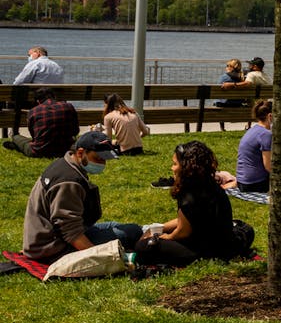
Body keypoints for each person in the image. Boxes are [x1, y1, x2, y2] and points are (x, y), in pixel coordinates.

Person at [23, 131, 141, 261]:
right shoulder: (69, 181)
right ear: (80, 153)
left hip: (48, 239)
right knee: (131, 233)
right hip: (54, 247)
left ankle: (150, 230)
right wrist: (99, 257)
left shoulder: (67, 164)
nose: (102, 164)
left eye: (105, 160)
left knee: (117, 226)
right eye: (98, 158)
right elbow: (70, 231)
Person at [135, 141, 244, 267]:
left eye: (175, 164)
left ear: (186, 166)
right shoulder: (210, 185)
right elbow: (189, 219)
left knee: (143, 246)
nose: (172, 168)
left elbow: (183, 231)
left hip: (204, 251)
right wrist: (160, 227)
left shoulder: (188, 194)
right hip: (225, 244)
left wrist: (166, 237)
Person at [4, 87, 80, 158]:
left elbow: (34, 136)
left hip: (40, 151)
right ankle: (18, 146)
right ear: (54, 97)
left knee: (16, 137)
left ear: (38, 101)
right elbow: (76, 131)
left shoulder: (33, 111)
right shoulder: (68, 106)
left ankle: (17, 145)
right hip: (65, 149)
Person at [236, 100, 274, 193]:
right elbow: (268, 166)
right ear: (270, 116)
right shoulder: (266, 134)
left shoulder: (253, 129)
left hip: (242, 182)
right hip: (254, 184)